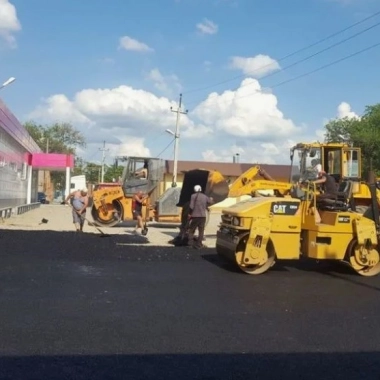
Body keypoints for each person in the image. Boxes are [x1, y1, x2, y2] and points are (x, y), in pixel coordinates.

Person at [187, 185, 213, 249]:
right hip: (203, 217)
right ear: (200, 189)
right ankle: (199, 244)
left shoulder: (193, 196)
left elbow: (191, 206)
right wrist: (211, 199)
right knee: (201, 231)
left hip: (195, 216)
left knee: (191, 229)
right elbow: (210, 202)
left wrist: (189, 214)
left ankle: (190, 243)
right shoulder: (205, 196)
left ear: (195, 189)